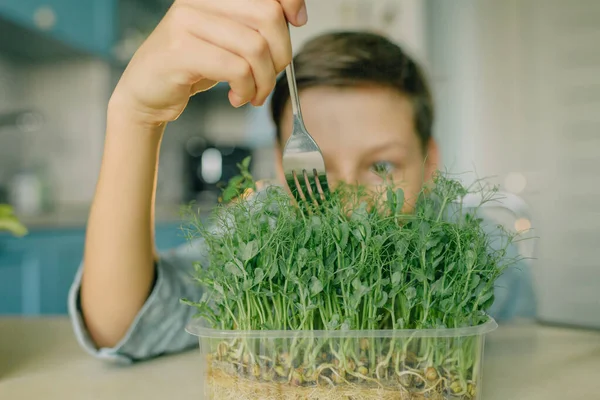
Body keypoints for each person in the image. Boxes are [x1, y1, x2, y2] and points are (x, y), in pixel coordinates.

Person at [68, 0, 536, 364]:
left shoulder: (475, 250)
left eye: (382, 167)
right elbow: (122, 327)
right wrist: (135, 115)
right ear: (278, 161)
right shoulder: (259, 235)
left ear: (429, 161)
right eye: (316, 164)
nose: (348, 197)